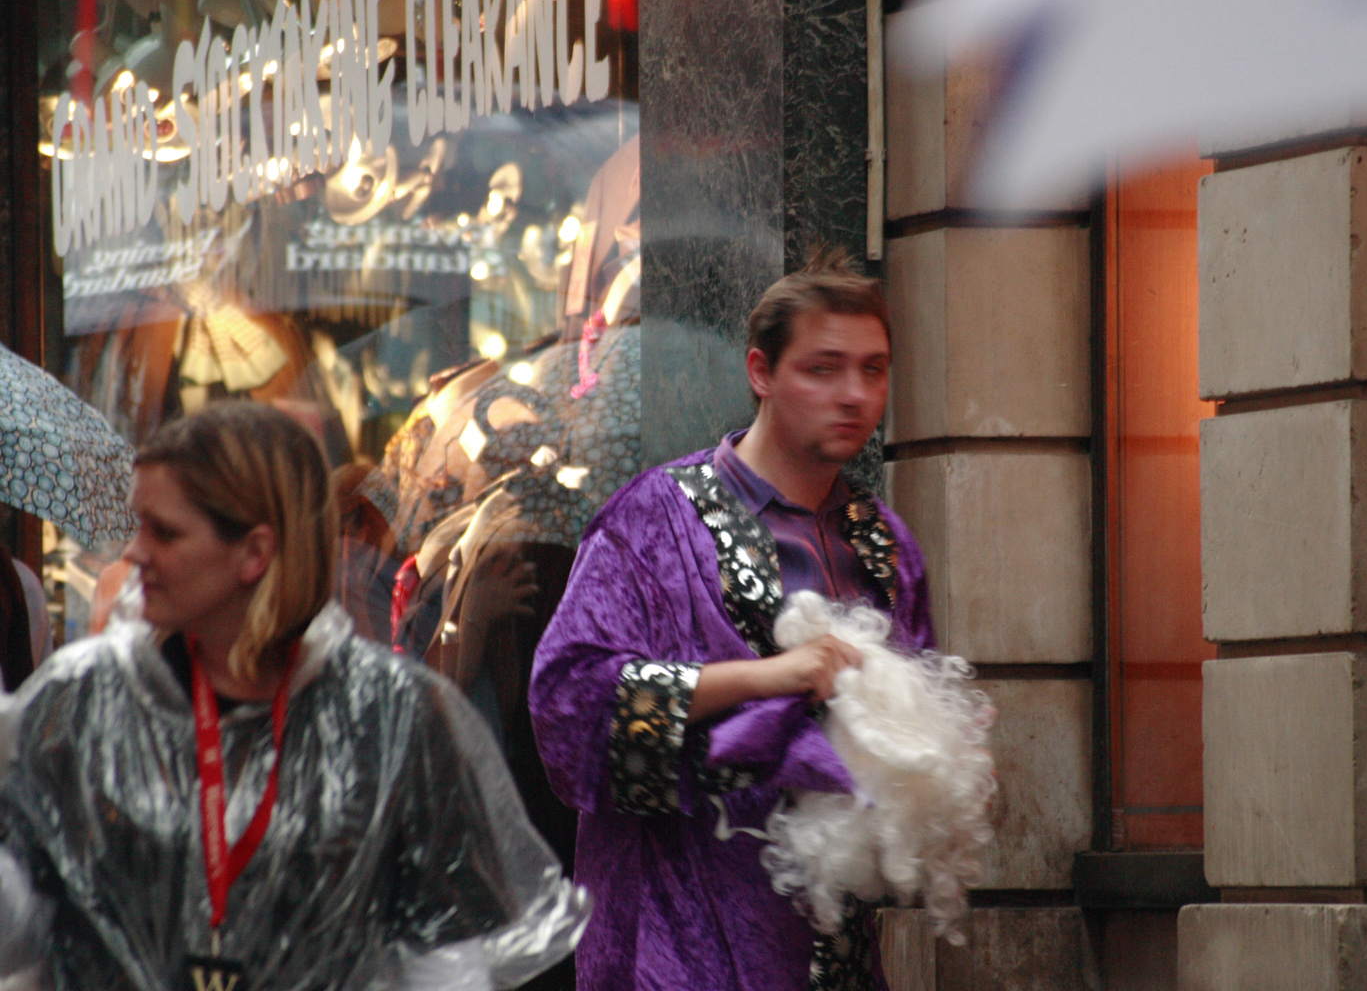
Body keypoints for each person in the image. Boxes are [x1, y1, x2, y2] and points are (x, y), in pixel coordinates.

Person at [0, 402, 588, 991]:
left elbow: (449, 963)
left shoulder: (391, 718)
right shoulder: (82, 703)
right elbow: (16, 923)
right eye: (138, 525)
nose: (134, 553)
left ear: (255, 553)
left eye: (165, 531)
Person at [529, 250, 934, 991]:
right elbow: (568, 704)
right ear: (761, 372)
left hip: (835, 952)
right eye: (824, 368)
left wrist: (941, 753)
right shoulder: (655, 520)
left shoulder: (886, 547)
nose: (853, 394)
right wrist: (766, 679)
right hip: (679, 937)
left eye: (873, 370)